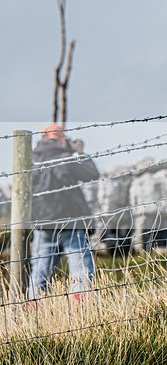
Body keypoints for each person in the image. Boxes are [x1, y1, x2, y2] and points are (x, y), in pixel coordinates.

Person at [28, 124, 100, 302]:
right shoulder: (66, 158)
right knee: (80, 266)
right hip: (71, 221)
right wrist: (80, 152)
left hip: (42, 222)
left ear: (42, 138)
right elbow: (91, 174)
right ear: (61, 139)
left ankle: (34, 304)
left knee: (40, 269)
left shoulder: (31, 160)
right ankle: (80, 302)